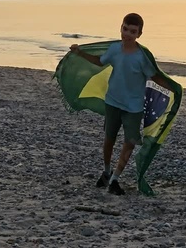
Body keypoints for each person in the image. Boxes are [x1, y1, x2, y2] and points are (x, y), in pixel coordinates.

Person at [70, 13, 171, 195]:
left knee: (130, 143)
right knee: (109, 138)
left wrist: (174, 88)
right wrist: (79, 52)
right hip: (113, 101)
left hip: (134, 107)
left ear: (139, 34)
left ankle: (115, 179)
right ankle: (107, 171)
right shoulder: (115, 49)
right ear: (121, 28)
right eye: (125, 29)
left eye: (133, 31)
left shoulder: (142, 57)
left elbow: (154, 75)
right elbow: (99, 62)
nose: (128, 34)